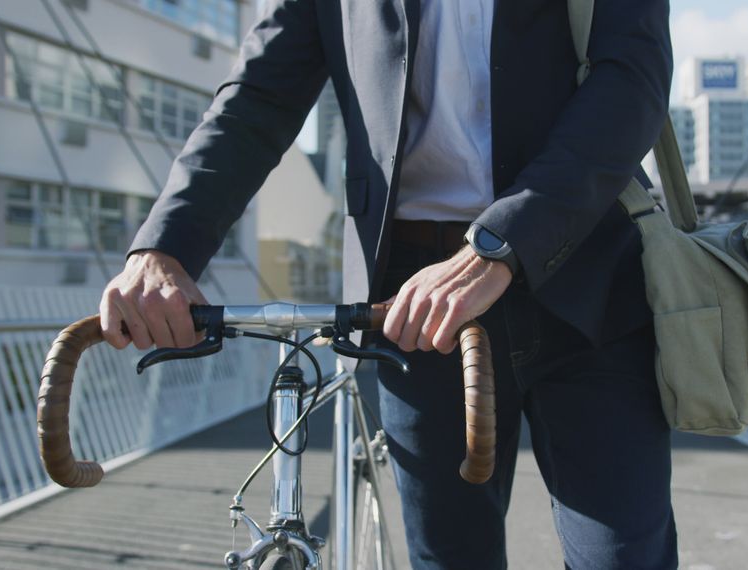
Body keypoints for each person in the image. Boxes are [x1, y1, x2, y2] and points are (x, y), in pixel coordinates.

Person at [100, 0, 675, 567]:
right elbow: (258, 98)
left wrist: (504, 241)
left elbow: (632, 79)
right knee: (449, 560)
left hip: (588, 288)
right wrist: (163, 247)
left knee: (625, 558)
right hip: (413, 312)